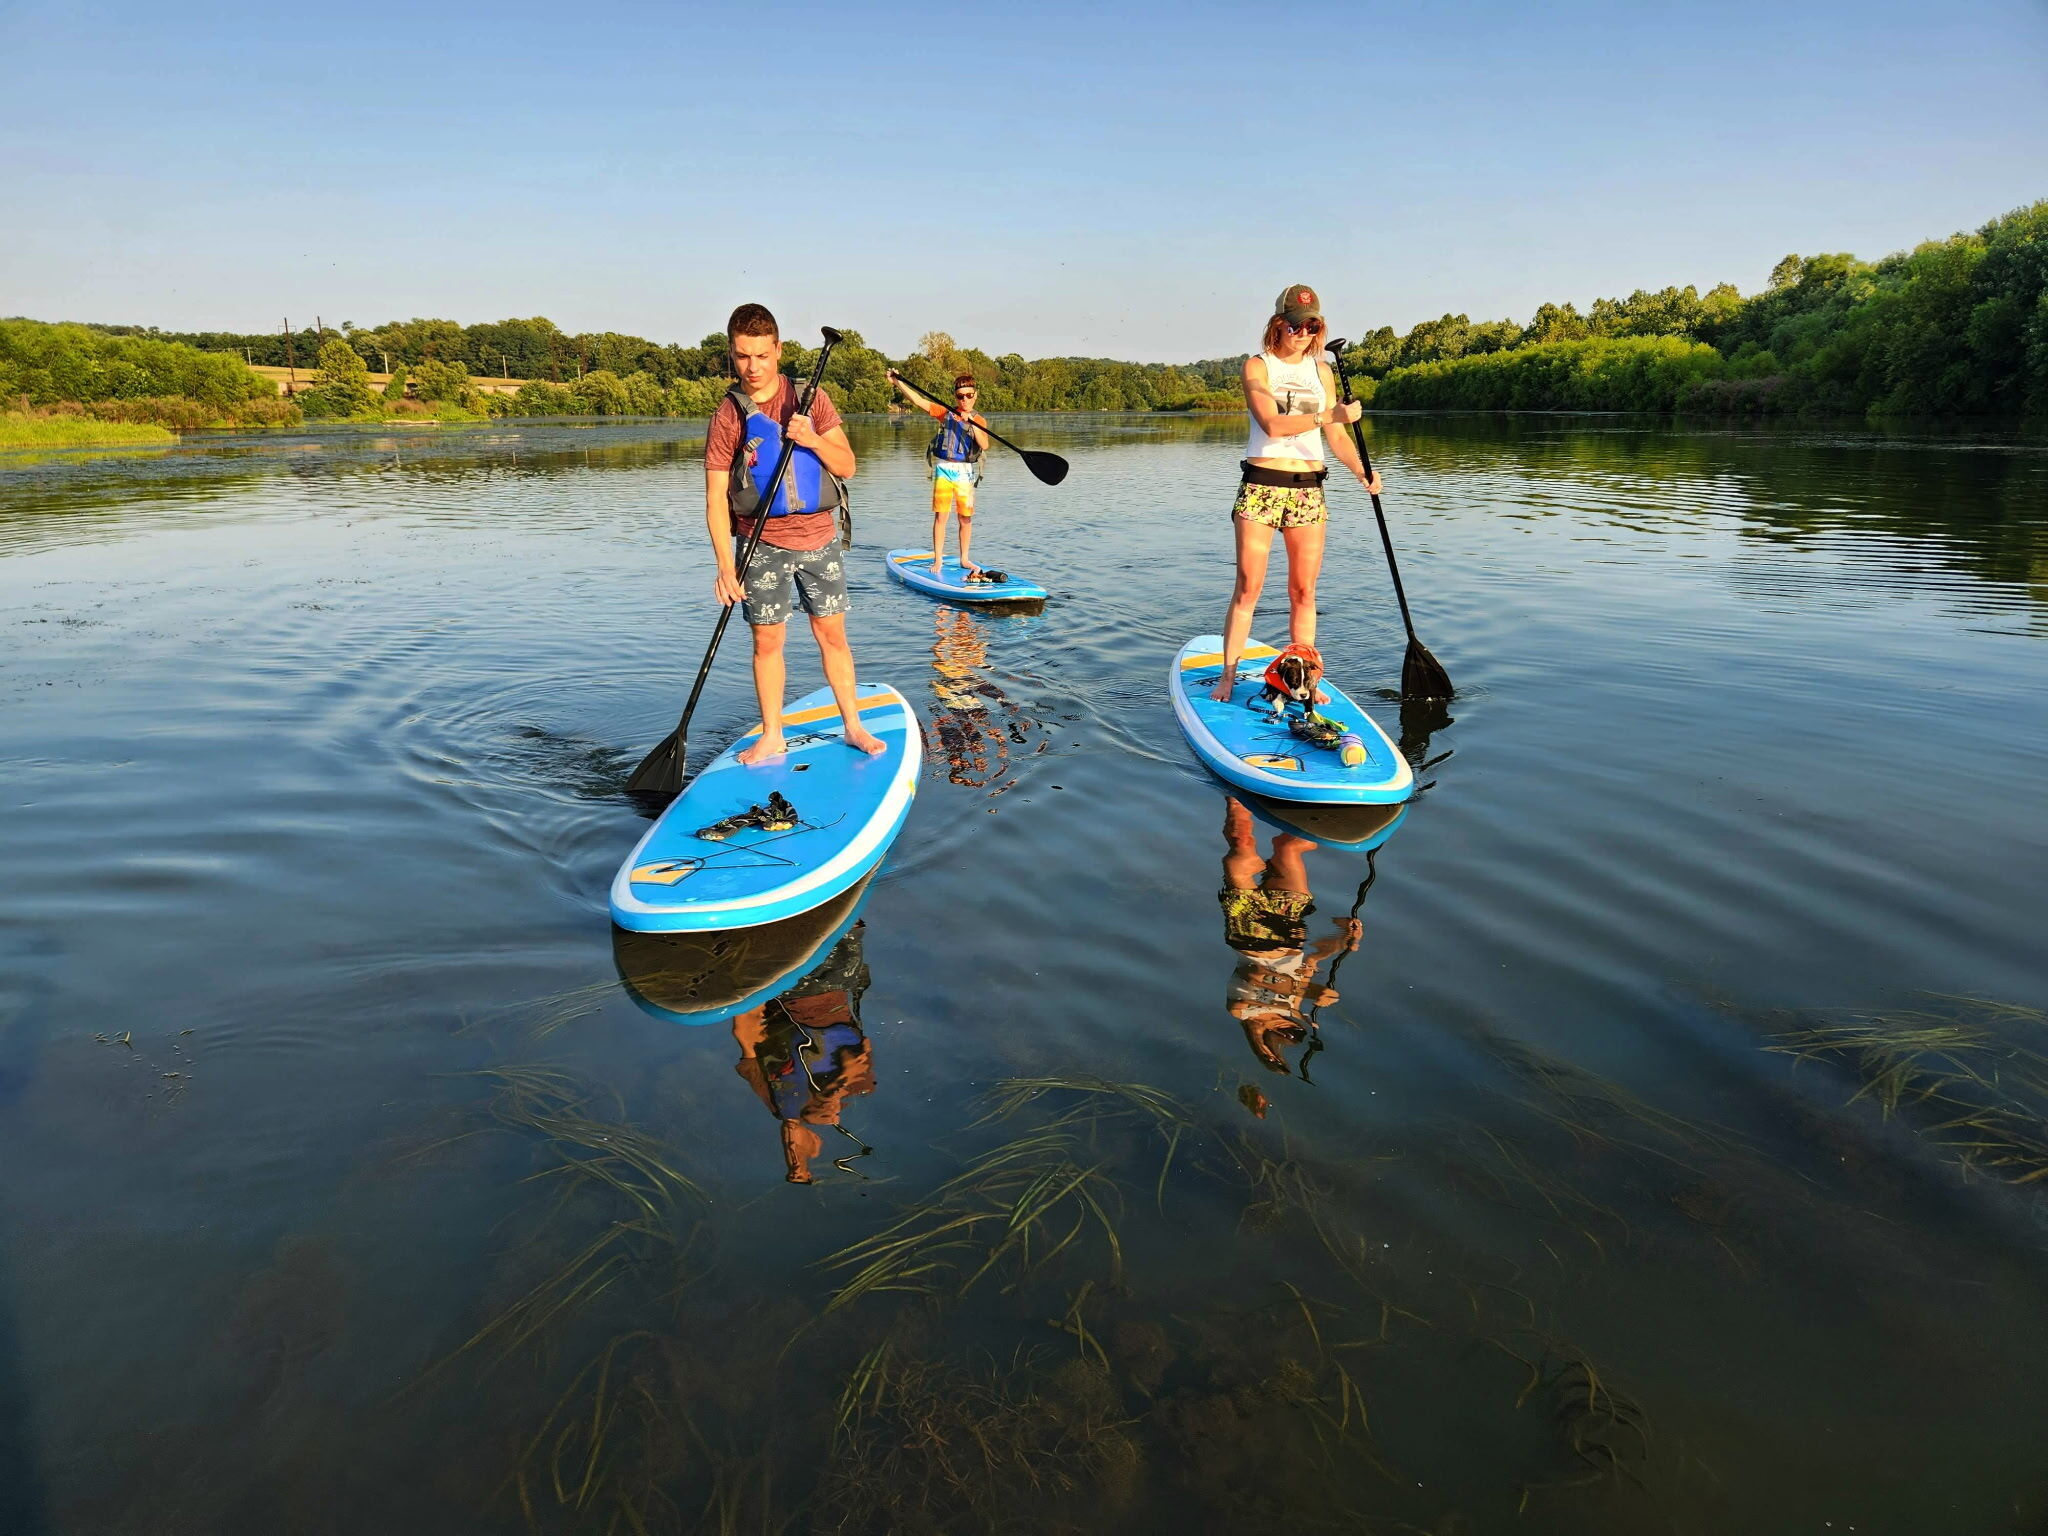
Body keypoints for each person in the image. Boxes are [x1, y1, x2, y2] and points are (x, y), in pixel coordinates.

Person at [706, 303, 882, 764]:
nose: (753, 367)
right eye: (743, 356)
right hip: (759, 544)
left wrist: (812, 439)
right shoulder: (729, 415)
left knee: (832, 636)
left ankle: (854, 727)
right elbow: (714, 497)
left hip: (819, 538)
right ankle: (772, 735)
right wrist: (726, 567)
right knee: (767, 642)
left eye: (762, 355)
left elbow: (848, 466)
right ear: (732, 353)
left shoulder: (810, 400)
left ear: (778, 350)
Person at [1211, 285, 1383, 703]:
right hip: (1261, 486)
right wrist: (1329, 413)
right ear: (1277, 324)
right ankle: (1228, 677)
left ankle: (1307, 681)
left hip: (1308, 490)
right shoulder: (1257, 367)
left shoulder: (1322, 370)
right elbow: (1271, 424)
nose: (1303, 332)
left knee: (1304, 591)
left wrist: (1363, 469)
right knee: (1249, 586)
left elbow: (1337, 436)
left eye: (1313, 325)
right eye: (1295, 324)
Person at [1218, 797, 1360, 1076]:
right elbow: (1310, 963)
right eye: (1296, 1031)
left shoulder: (1241, 1010)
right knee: (1292, 846)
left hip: (1248, 928)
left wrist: (1311, 992)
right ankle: (1317, 799)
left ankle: (1236, 795)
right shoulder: (1292, 1008)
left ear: (1262, 1038)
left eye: (1284, 1033)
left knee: (1242, 847)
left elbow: (1257, 975)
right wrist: (1345, 940)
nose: (1290, 1028)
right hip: (1290, 926)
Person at [731, 923, 876, 1183]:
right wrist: (833, 1092)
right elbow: (861, 1050)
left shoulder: (781, 1103)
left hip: (798, 986)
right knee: (842, 926)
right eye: (835, 1115)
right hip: (831, 980)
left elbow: (747, 1035)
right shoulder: (857, 1084)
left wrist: (798, 1161)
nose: (832, 1115)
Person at [887, 367, 991, 578]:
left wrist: (970, 422)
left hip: (965, 472)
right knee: (941, 516)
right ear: (955, 396)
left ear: (975, 396)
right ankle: (938, 558)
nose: (964, 400)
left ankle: (964, 558)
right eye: (960, 396)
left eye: (969, 396)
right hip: (944, 469)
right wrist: (898, 383)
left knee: (965, 518)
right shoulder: (945, 413)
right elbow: (918, 401)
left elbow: (985, 445)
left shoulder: (979, 420)